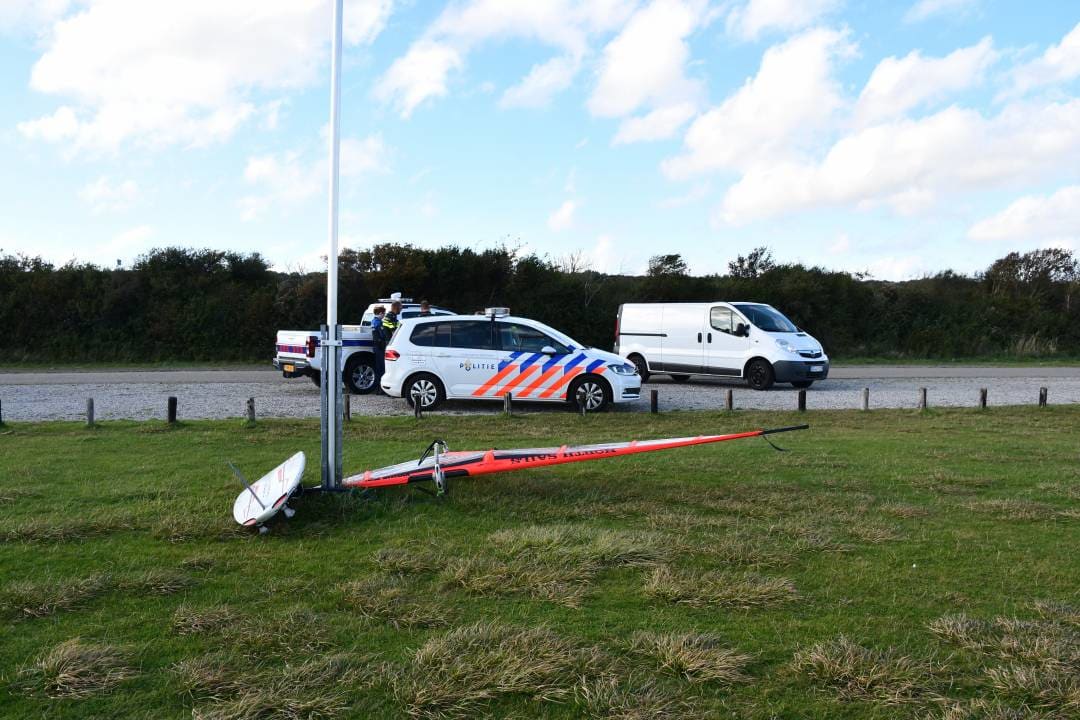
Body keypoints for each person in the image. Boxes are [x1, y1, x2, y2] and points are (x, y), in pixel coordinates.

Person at [371, 306, 387, 390]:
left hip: (376, 346)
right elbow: (383, 335)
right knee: (382, 367)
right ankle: (381, 388)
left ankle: (377, 387)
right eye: (384, 313)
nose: (384, 315)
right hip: (380, 347)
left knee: (378, 367)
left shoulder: (373, 321)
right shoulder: (379, 322)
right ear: (380, 313)